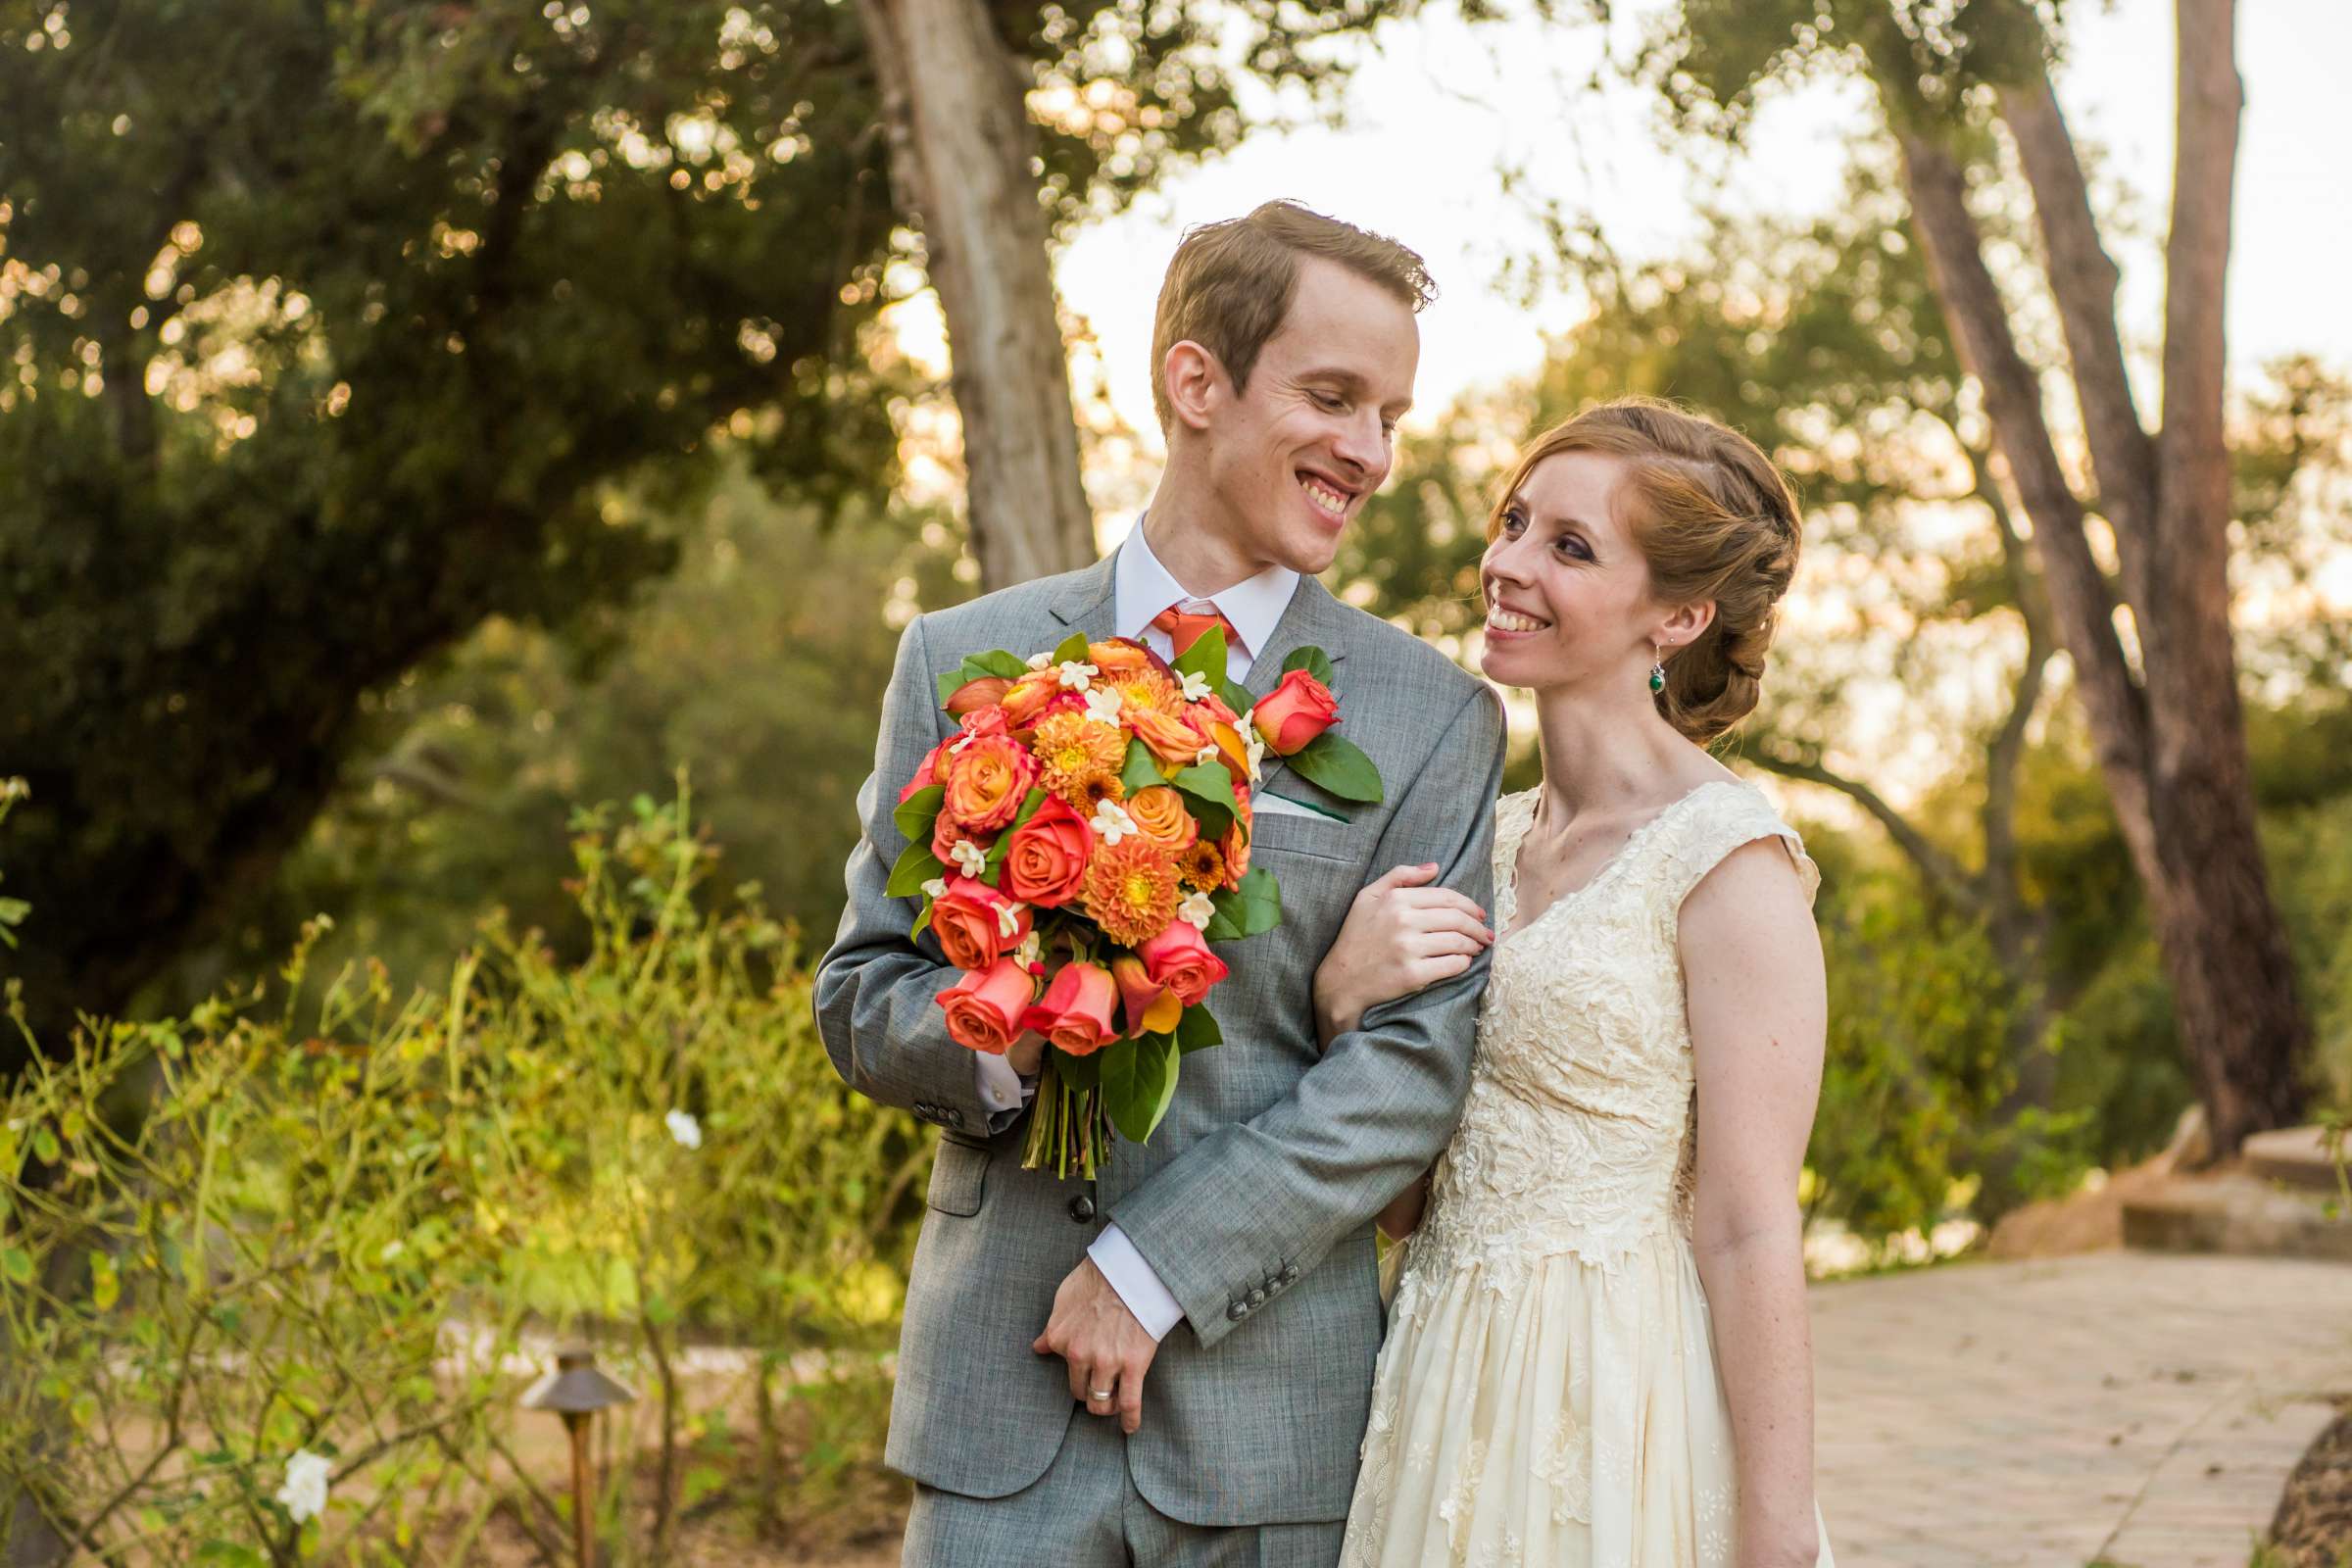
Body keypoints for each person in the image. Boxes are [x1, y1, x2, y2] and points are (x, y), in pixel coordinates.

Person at [814, 200, 1507, 1567]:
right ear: (1197, 381)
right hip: (993, 1427)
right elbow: (860, 992)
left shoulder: (1434, 717)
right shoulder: (962, 658)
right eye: (1332, 396)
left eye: (1391, 415)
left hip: (1268, 1433)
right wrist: (996, 1034)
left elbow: (1415, 1075)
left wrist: (1151, 1272)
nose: (1368, 452)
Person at [1321, 399, 1837, 1567]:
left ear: (1680, 615)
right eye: (1514, 523)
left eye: (1569, 546)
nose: (1506, 564)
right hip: (1439, 1368)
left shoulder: (1728, 863)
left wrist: (1778, 1531)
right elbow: (1408, 1199)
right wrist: (1342, 1001)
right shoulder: (1480, 837)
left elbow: (1752, 1224)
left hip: (1619, 1392)